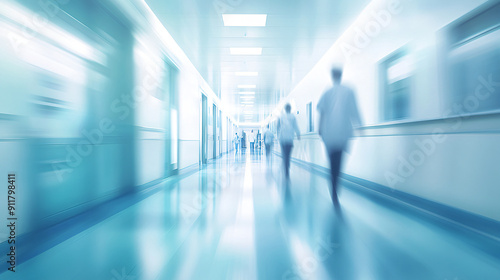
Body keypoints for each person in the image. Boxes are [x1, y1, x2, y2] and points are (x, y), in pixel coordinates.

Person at [317, 67, 361, 206]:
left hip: (329, 133)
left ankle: (333, 188)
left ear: (332, 76)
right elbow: (354, 109)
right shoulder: (349, 90)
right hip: (343, 132)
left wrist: (319, 128)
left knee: (332, 162)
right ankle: (336, 188)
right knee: (339, 162)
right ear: (341, 75)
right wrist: (359, 125)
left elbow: (322, 111)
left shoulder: (327, 92)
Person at [278, 103, 300, 179]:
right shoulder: (293, 116)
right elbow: (296, 126)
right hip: (290, 139)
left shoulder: (281, 116)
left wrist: (278, 135)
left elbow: (278, 126)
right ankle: (287, 167)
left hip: (282, 138)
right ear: (290, 109)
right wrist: (298, 134)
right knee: (288, 155)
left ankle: (286, 168)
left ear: (285, 109)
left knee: (284, 154)